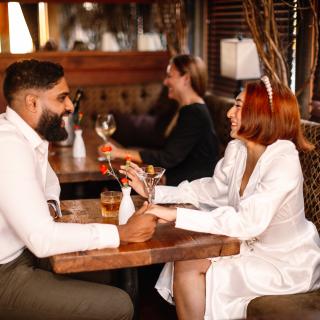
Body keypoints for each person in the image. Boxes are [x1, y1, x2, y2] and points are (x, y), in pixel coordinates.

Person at [122, 77, 320, 319]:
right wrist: (154, 192)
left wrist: (175, 215)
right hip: (247, 247)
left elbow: (248, 222)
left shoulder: (283, 160)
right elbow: (212, 190)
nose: (229, 113)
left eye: (238, 106)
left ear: (261, 114)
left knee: (192, 263)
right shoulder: (238, 149)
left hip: (284, 263)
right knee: (185, 259)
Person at [0, 59, 157, 320]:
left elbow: (50, 182)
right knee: (119, 305)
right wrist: (122, 233)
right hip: (6, 271)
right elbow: (42, 239)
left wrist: (48, 205)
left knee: (108, 274)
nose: (70, 106)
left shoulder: (27, 137)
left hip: (23, 252)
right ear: (32, 102)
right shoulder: (9, 146)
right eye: (62, 98)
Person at [109, 54, 220, 186]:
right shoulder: (183, 108)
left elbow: (168, 157)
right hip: (180, 182)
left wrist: (118, 152)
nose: (165, 82)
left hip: (193, 189)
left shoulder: (194, 113)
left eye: (170, 76)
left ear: (186, 79)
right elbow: (176, 153)